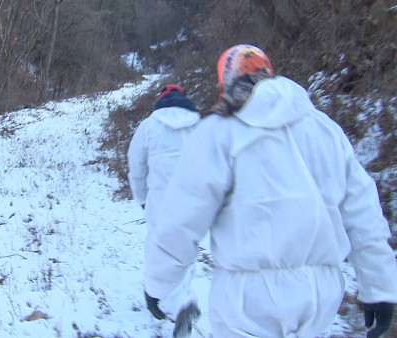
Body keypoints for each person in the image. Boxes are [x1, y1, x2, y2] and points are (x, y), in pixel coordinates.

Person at [144, 44, 397, 338]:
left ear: (225, 82)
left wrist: (159, 283)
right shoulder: (324, 128)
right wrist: (379, 287)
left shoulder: (219, 131)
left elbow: (182, 218)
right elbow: (362, 211)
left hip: (249, 300)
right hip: (320, 296)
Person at [126, 84, 201, 323]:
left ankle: (161, 297)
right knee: (186, 248)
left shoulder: (149, 126)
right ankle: (183, 299)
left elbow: (136, 167)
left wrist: (142, 199)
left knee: (158, 246)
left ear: (161, 100)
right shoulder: (201, 124)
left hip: (160, 201)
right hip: (193, 200)